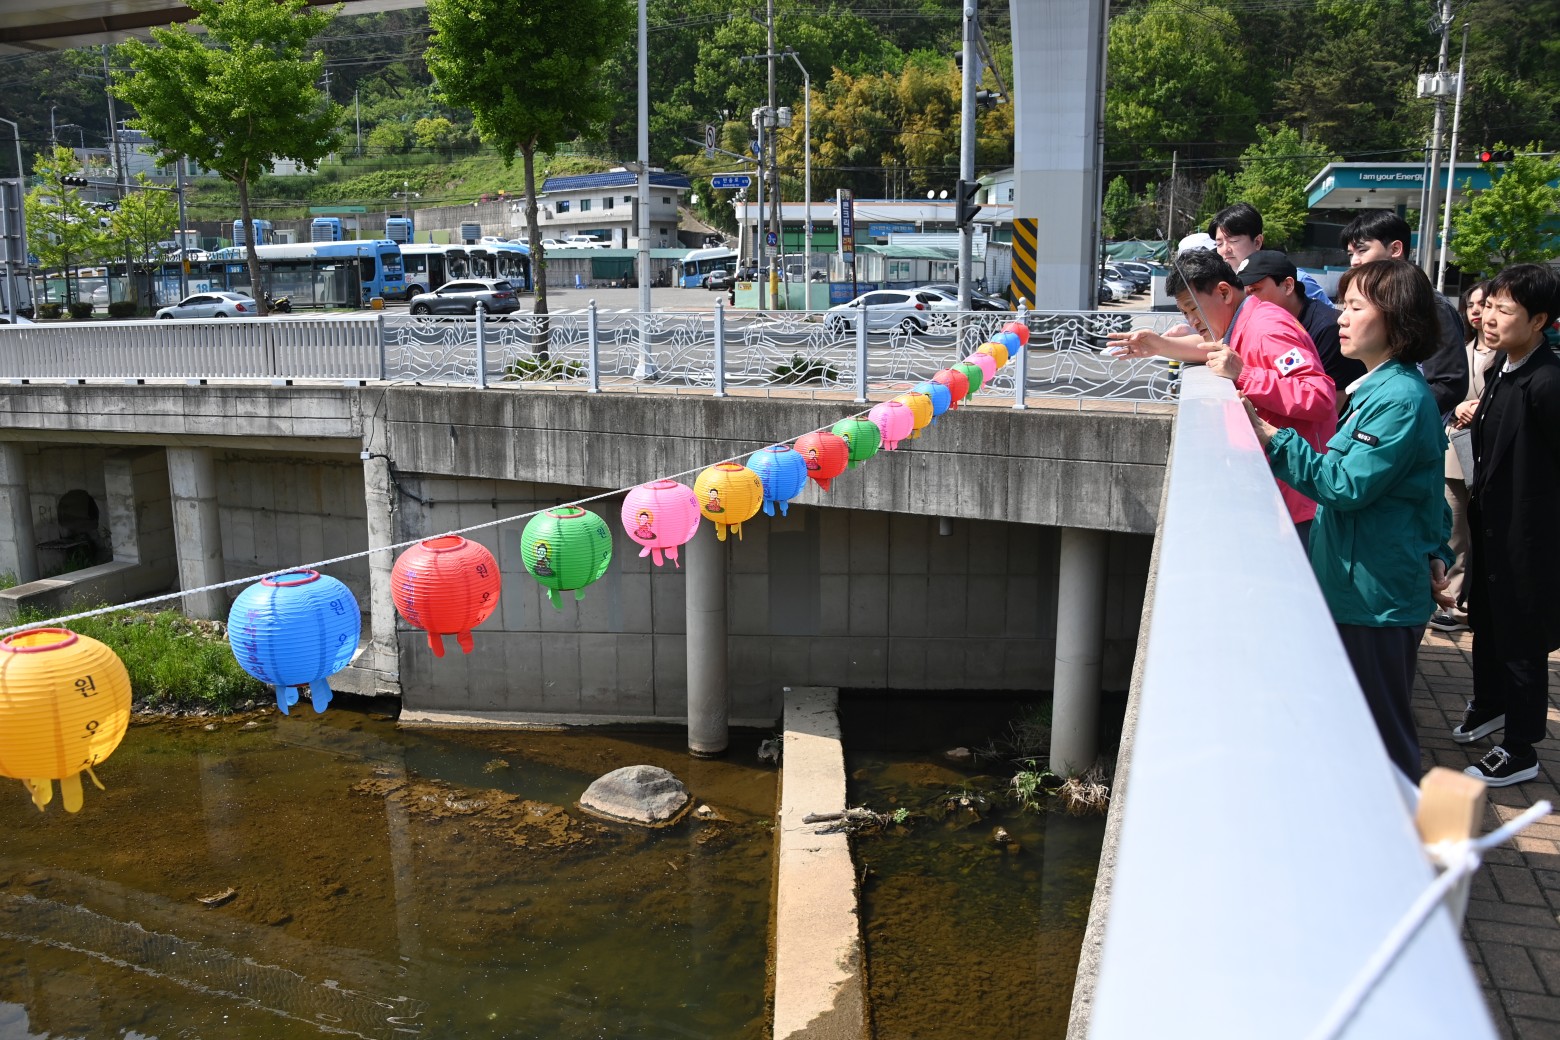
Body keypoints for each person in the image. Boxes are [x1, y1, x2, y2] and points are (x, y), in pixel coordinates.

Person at [1245, 259, 1452, 780]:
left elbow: (1343, 484)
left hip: (1374, 599)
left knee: (1381, 741)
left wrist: (1272, 436)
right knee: (1362, 730)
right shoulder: (1382, 389)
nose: (1341, 317)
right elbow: (1425, 490)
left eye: (1356, 306)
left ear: (1396, 318)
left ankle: (1400, 828)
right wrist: (1436, 551)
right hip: (1363, 586)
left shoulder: (1399, 399)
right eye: (1343, 305)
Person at [1107, 248, 1335, 540]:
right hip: (1278, 491)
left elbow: (1319, 396)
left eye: (1193, 309)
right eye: (1185, 313)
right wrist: (1158, 345)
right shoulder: (1241, 323)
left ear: (1224, 292)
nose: (1191, 321)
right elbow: (1209, 350)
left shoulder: (1267, 328)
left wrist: (1244, 374)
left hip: (1300, 500)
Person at [1455, 263, 1560, 786]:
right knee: (1488, 623)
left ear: (1539, 320)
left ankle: (1521, 748)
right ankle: (1491, 703)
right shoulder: (1505, 365)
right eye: (1489, 306)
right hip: (1493, 525)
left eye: (1505, 310)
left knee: (1521, 639)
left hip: (1529, 536)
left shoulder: (1548, 381)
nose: (1489, 318)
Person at [1338, 211, 1468, 417]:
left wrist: (1396, 413)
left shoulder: (1430, 304)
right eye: (1350, 254)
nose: (1354, 261)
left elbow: (1449, 383)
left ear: (1396, 249)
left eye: (1362, 250)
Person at [1429, 281, 1494, 633]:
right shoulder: (1461, 348)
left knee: (1481, 527)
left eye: (1487, 304)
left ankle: (1473, 599)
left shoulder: (1506, 356)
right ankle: (1451, 601)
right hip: (1457, 448)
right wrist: (1457, 408)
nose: (1478, 312)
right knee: (1454, 528)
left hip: (1488, 451)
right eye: (1472, 305)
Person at [1237, 249, 1363, 410]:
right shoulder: (1259, 327)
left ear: (1288, 286)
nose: (1249, 300)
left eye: (1255, 290)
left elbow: (1330, 407)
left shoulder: (1329, 329)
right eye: (1245, 293)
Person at [1208, 202, 1332, 306]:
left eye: (1233, 241)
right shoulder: (1222, 286)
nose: (1225, 250)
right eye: (1219, 244)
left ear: (1257, 242)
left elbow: (1329, 320)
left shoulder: (1296, 279)